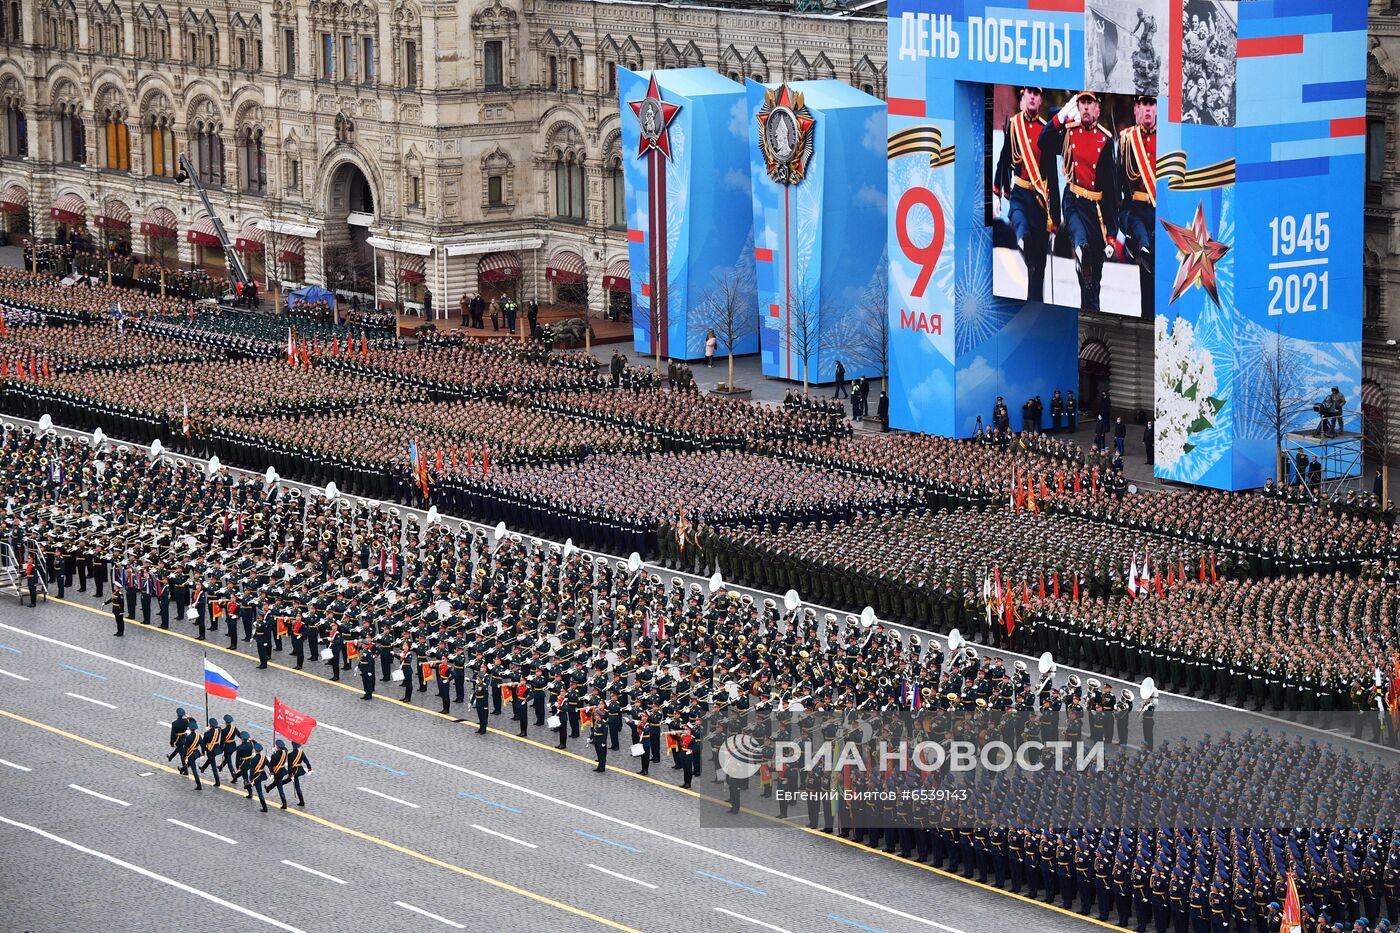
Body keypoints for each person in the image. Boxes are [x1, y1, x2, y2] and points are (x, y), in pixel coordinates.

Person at [1039, 91, 1117, 314]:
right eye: (1081, 102)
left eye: (1089, 102)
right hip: (1073, 201)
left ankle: (1091, 317)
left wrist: (1111, 234)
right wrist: (1061, 115)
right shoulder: (1069, 131)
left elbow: (1111, 192)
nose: (1084, 107)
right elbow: (1043, 141)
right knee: (1080, 238)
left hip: (1097, 210)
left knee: (1092, 284)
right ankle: (1080, 250)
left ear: (1097, 108)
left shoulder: (1106, 140)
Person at [993, 86, 1055, 302]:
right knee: (1018, 218)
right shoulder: (1014, 125)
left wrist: (1054, 215)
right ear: (1023, 96)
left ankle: (1035, 305)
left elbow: (1052, 176)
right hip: (1019, 193)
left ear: (1040, 101)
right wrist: (997, 191)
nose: (1032, 96)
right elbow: (1004, 159)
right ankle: (1022, 239)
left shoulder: (1046, 130)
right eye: (1029, 92)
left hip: (1040, 201)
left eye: (1036, 94)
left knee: (1037, 268)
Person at [1116, 95, 1157, 315]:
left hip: (1162, 217)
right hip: (1138, 213)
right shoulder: (1126, 140)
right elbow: (1119, 185)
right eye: (1144, 104)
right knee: (1146, 284)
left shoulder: (1167, 137)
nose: (1148, 109)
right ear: (1136, 109)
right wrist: (1125, 225)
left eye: (1152, 104)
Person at [590, 704, 609, 772]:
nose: (595, 716)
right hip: (596, 739)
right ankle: (599, 766)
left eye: (596, 715)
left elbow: (605, 734)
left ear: (599, 716)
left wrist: (604, 742)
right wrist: (590, 737)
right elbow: (594, 730)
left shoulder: (604, 723)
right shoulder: (597, 721)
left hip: (601, 740)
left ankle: (602, 767)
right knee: (598, 754)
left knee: (602, 755)